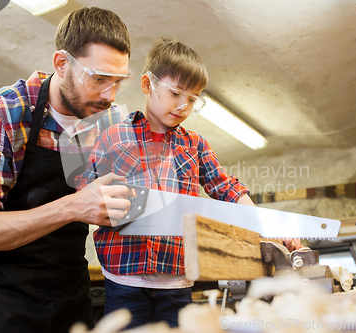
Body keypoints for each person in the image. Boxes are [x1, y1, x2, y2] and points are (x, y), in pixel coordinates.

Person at [77, 37, 303, 329]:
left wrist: (272, 228)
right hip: (124, 280)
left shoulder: (195, 145)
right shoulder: (112, 137)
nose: (183, 105)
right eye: (175, 93)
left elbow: (228, 190)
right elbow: (84, 196)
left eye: (193, 99)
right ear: (147, 84)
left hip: (177, 282)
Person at [0, 7, 135, 333]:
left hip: (71, 300)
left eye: (118, 81)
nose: (110, 95)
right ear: (62, 64)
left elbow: (120, 209)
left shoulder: (110, 120)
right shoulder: (1, 112)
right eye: (98, 79)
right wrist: (73, 206)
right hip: (2, 304)